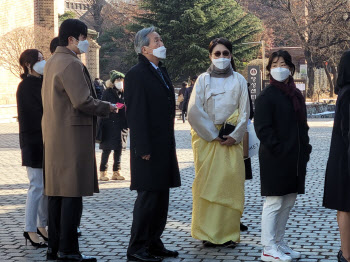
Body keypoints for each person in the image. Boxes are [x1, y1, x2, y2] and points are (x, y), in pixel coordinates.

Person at [42, 19, 116, 261]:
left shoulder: (53, 60)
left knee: (56, 194)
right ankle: (69, 250)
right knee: (72, 194)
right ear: (72, 39)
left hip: (55, 135)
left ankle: (54, 247)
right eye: (83, 38)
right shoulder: (71, 63)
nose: (86, 43)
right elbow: (83, 101)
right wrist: (108, 106)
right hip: (71, 136)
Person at [124, 26, 181, 262]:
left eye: (161, 39)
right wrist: (143, 148)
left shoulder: (160, 71)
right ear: (144, 48)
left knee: (161, 197)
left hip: (164, 145)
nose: (161, 43)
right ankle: (137, 248)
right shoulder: (136, 74)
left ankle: (154, 241)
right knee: (148, 198)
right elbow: (136, 114)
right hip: (148, 148)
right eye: (156, 41)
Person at [187, 37, 250, 247]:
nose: (221, 57)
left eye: (225, 54)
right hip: (208, 142)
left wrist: (235, 135)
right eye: (217, 54)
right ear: (210, 56)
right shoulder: (203, 80)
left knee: (229, 186)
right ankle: (207, 233)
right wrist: (212, 134)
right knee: (208, 186)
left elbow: (245, 111)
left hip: (231, 141)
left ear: (231, 56)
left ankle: (228, 234)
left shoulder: (240, 80)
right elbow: (194, 110)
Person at [254, 50, 312, 262]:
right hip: (275, 158)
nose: (279, 68)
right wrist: (278, 149)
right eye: (275, 64)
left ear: (291, 68)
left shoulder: (295, 95)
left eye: (284, 64)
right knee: (274, 202)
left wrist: (305, 149)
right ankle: (268, 247)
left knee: (288, 201)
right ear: (269, 69)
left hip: (295, 158)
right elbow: (262, 129)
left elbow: (302, 126)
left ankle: (279, 242)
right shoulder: (266, 96)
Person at [17, 49, 48, 248]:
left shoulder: (41, 82)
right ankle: (30, 228)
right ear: (29, 64)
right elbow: (34, 116)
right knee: (36, 187)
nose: (43, 61)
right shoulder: (26, 86)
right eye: (39, 59)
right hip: (33, 142)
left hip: (45, 141)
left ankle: (42, 225)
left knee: (45, 188)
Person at [323, 50, 350, 262]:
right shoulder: (349, 93)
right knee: (345, 207)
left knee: (345, 207)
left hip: (342, 159)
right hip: (346, 161)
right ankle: (347, 255)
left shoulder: (344, 91)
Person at [98, 70, 128, 181]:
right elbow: (102, 106)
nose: (120, 82)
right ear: (113, 81)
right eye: (117, 80)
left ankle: (116, 171)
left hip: (121, 125)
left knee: (118, 150)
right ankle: (103, 172)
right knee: (107, 149)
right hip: (109, 124)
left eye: (121, 80)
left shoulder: (124, 92)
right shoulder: (108, 92)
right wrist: (113, 107)